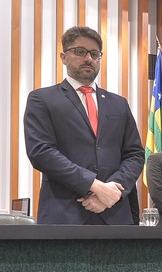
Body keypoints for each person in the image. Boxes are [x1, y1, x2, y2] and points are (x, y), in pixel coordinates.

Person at [24, 26, 144, 224]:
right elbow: (41, 152)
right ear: (63, 57)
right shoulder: (42, 99)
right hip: (64, 215)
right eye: (80, 52)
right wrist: (94, 185)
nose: (89, 58)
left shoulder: (119, 103)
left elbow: (135, 154)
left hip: (115, 214)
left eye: (95, 54)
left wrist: (112, 191)